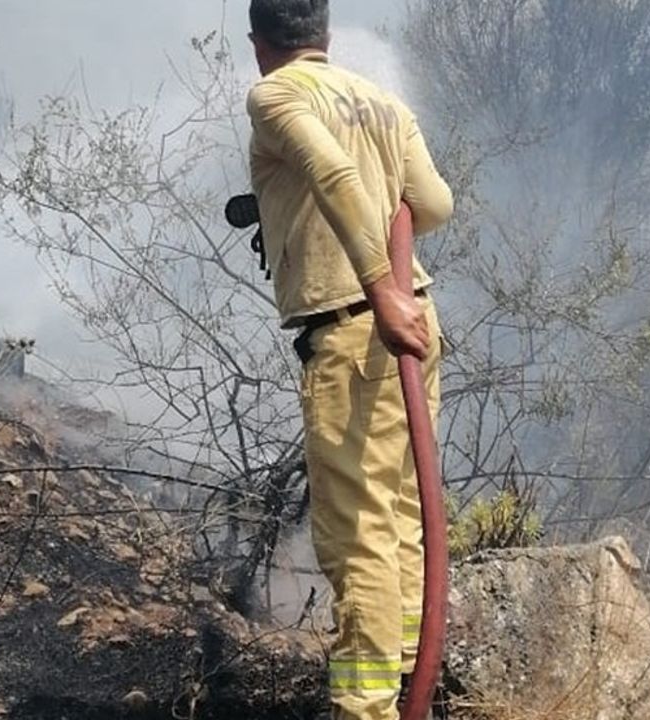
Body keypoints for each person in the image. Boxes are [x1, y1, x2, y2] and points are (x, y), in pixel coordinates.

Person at [244, 1, 454, 718]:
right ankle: (405, 686)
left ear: (259, 44)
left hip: (356, 333)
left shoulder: (275, 92)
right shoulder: (383, 101)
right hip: (415, 328)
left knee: (357, 535)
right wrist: (396, 292)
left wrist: (374, 289)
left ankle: (366, 708)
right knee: (398, 518)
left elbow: (332, 173)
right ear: (325, 37)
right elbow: (434, 202)